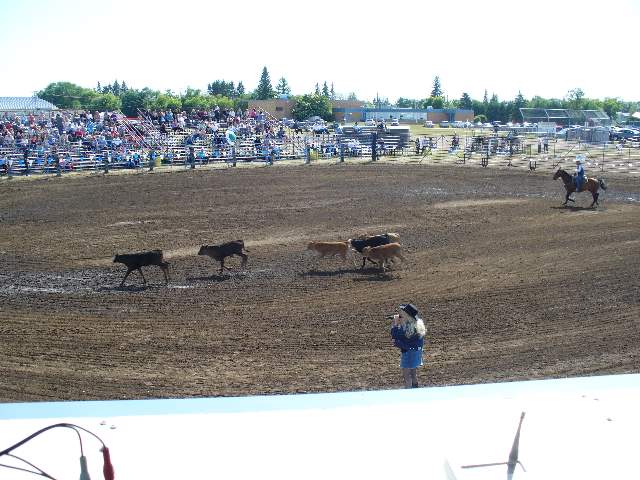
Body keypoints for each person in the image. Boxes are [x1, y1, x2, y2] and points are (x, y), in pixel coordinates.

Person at [390, 303, 426, 388]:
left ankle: (409, 393)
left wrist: (395, 324)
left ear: (407, 315)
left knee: (406, 375)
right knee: (413, 374)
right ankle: (415, 389)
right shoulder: (417, 323)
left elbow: (395, 335)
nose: (400, 314)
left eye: (401, 312)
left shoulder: (408, 326)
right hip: (416, 351)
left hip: (409, 352)